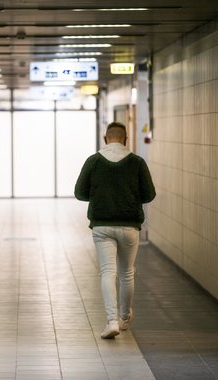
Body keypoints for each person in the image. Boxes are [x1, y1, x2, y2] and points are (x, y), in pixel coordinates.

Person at [74, 122, 156, 339]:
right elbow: (149, 195)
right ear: (126, 139)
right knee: (127, 273)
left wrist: (101, 194)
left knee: (107, 272)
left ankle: (111, 322)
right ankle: (125, 318)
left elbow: (80, 193)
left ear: (105, 138)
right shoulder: (137, 162)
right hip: (129, 226)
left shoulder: (93, 161)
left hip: (102, 226)